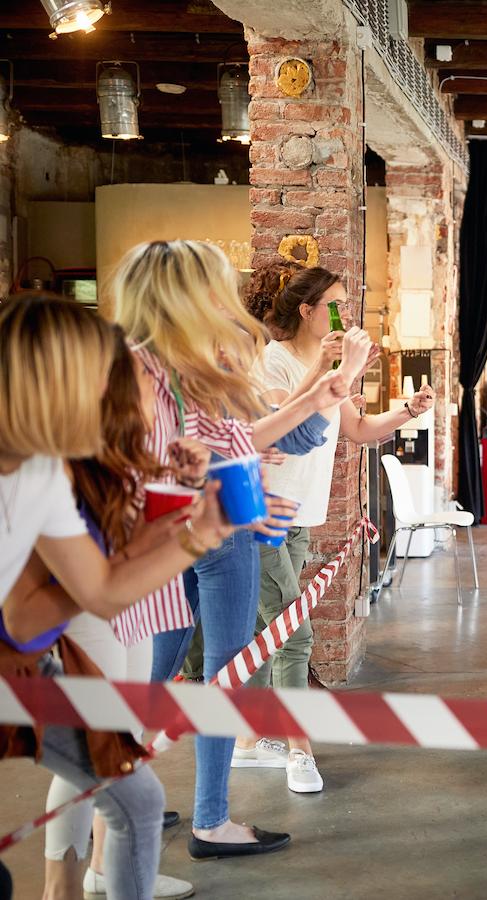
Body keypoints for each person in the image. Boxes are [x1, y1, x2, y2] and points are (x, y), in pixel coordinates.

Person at [111, 240, 352, 861]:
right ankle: (198, 820)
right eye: (217, 285)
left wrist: (327, 392)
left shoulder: (170, 362)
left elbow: (237, 441)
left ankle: (130, 799)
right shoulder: (156, 369)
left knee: (169, 669)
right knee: (209, 671)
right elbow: (179, 463)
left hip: (187, 539)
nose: (229, 299)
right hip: (190, 538)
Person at [0, 295, 237, 900]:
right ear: (45, 384)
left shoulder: (43, 470)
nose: (113, 400)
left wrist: (194, 535)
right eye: (98, 382)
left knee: (135, 797)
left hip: (19, 662)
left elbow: (95, 592)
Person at [232, 262, 433, 794]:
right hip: (264, 514)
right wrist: (325, 371)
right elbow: (278, 422)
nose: (344, 313)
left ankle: (246, 741)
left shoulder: (335, 369)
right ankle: (300, 753)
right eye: (335, 304)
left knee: (265, 633)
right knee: (293, 634)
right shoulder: (272, 362)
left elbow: (360, 431)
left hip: (299, 517)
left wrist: (407, 412)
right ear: (306, 311)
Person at [39, 336, 195, 900]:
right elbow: (97, 589)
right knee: (129, 787)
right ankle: (65, 889)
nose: (153, 400)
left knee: (117, 764)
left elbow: (114, 562)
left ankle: (71, 887)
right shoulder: (46, 469)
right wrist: (199, 533)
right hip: (51, 648)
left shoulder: (98, 461)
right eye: (141, 387)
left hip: (66, 634)